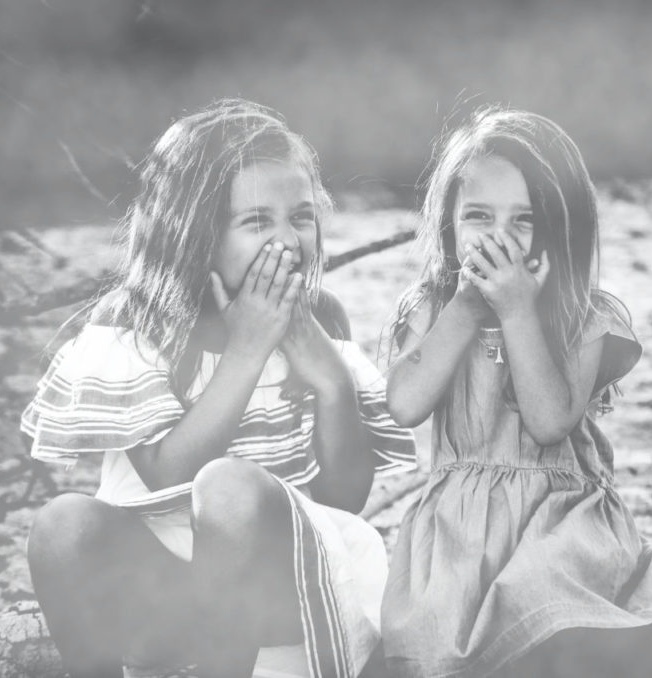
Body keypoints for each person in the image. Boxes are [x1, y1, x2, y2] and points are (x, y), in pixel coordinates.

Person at [21, 99, 416, 678]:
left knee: (231, 488)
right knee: (61, 523)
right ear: (195, 233)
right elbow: (167, 475)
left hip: (286, 588)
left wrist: (332, 383)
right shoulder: (136, 323)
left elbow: (342, 502)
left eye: (301, 216)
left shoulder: (320, 318)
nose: (286, 240)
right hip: (166, 593)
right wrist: (249, 349)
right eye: (257, 222)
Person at [380, 107, 652, 678]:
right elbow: (405, 404)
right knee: (435, 643)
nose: (499, 237)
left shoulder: (583, 317)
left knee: (540, 597)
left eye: (524, 220)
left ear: (561, 227)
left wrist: (517, 310)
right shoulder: (431, 307)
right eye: (478, 215)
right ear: (449, 225)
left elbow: (549, 421)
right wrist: (464, 308)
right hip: (457, 532)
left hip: (559, 522)